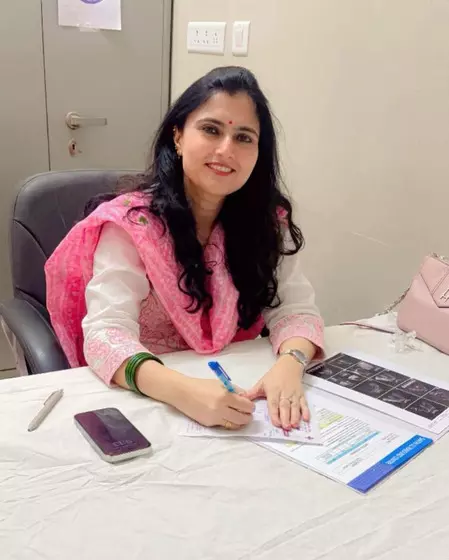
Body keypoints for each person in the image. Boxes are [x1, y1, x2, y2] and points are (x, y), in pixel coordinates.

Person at [45, 66, 324, 433]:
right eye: (211, 130)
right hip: (146, 394)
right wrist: (184, 392)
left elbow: (296, 308)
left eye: (244, 137)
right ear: (177, 137)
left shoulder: (266, 223)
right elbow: (106, 334)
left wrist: (290, 364)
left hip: (235, 387)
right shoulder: (132, 224)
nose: (226, 150)